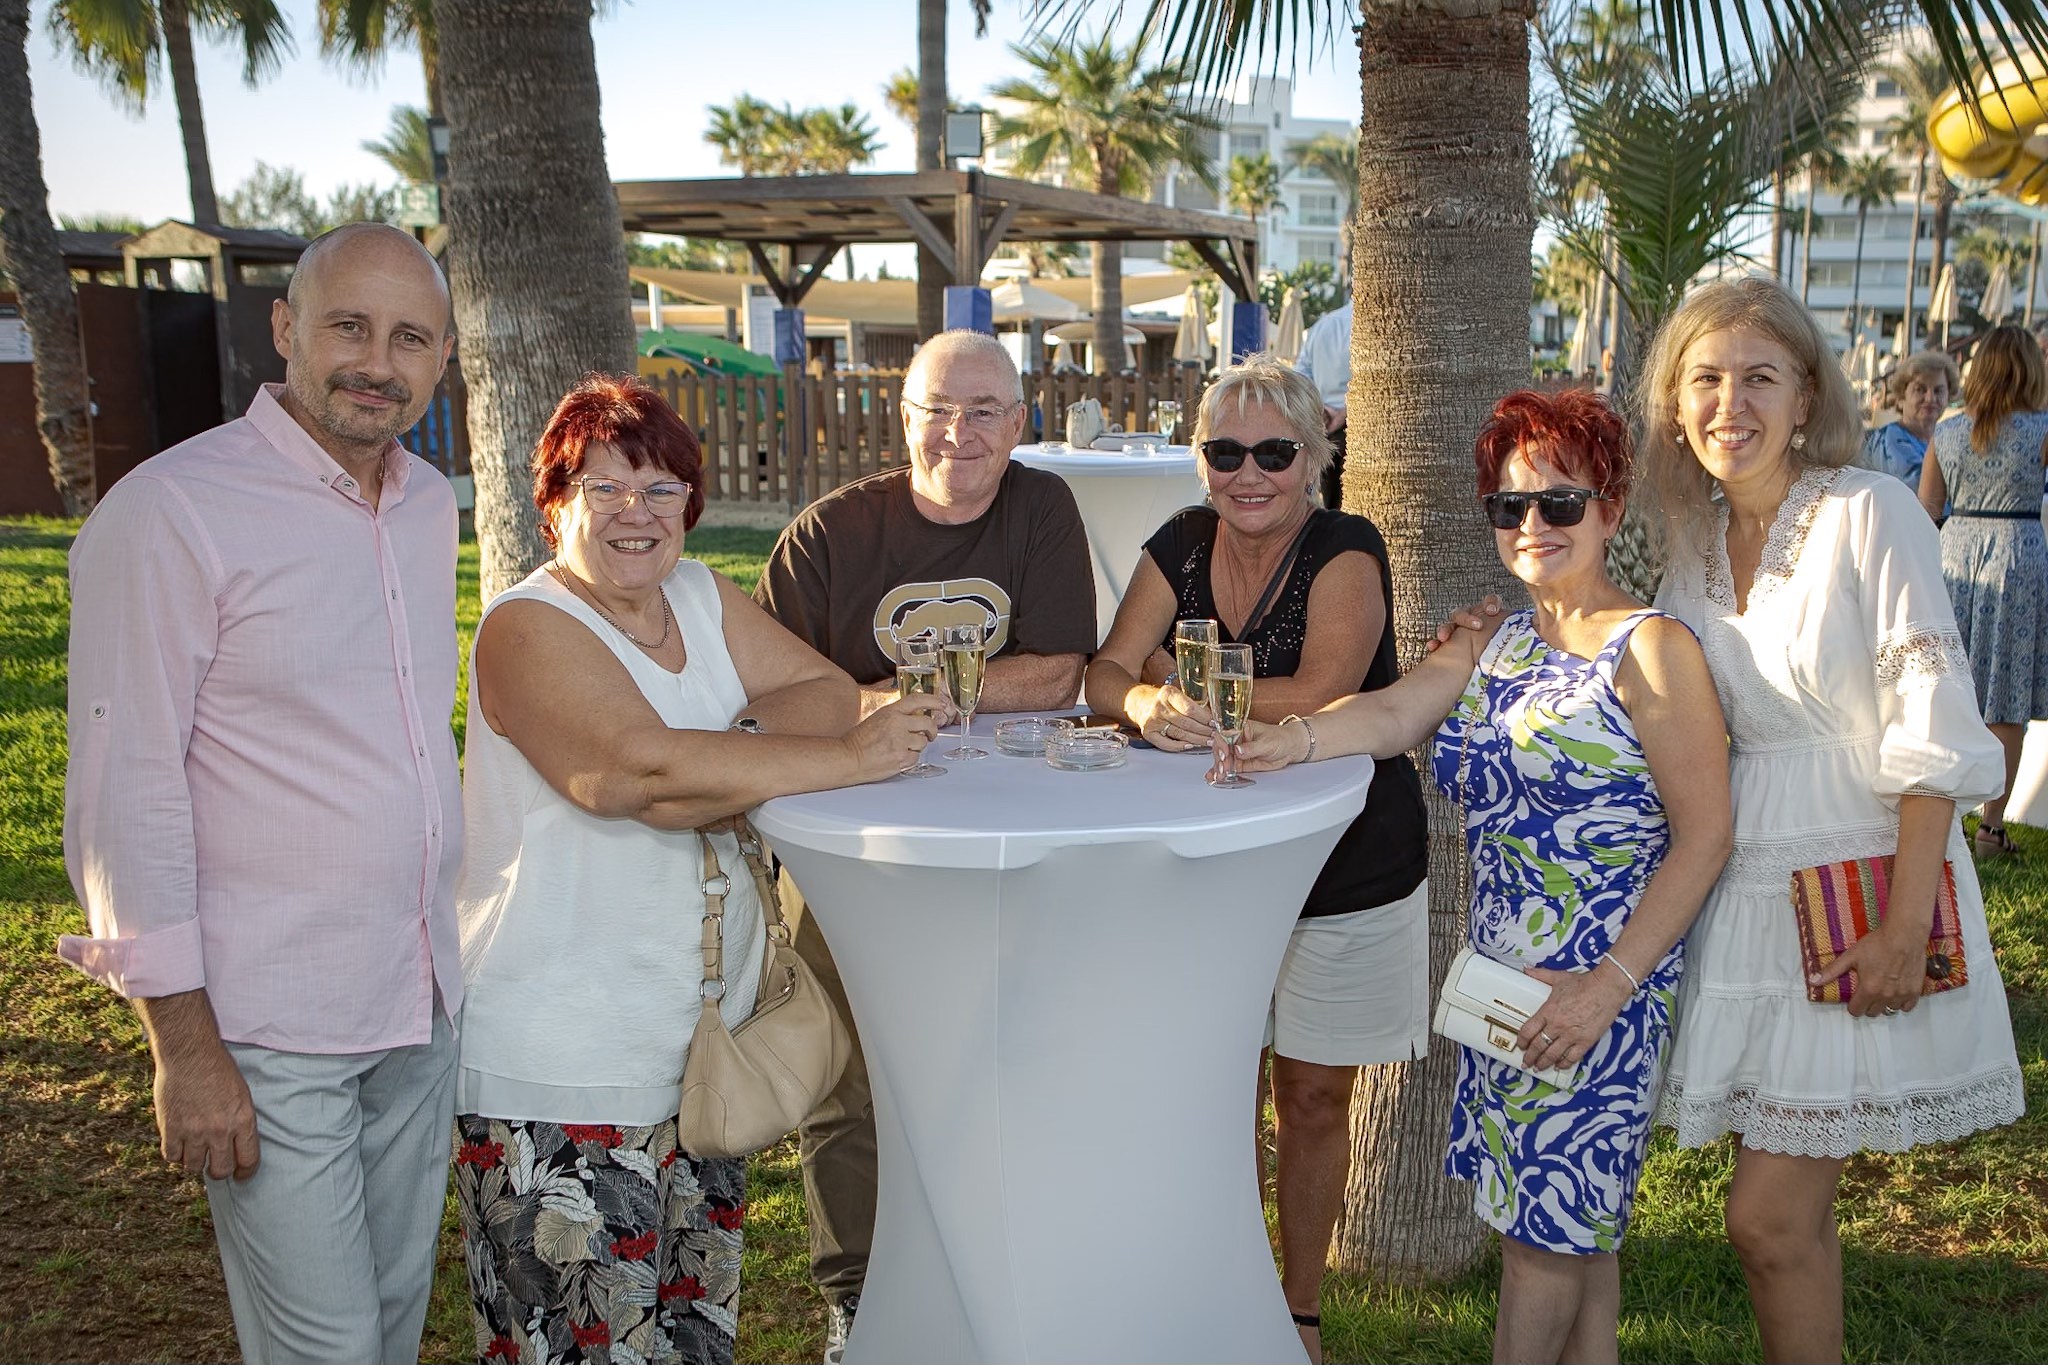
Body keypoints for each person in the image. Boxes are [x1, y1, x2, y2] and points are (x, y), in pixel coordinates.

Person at [1233, 386, 1733, 1365]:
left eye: (1559, 501)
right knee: (1567, 1233)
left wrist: (1604, 989)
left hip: (1595, 995)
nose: (1533, 523)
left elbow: (1705, 836)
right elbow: (1389, 715)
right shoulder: (1493, 640)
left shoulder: (1652, 649)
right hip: (1502, 986)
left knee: (1543, 1249)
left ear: (1609, 509)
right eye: (1510, 505)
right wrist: (1286, 740)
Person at [452, 374, 942, 1365]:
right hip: (567, 1072)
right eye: (603, 488)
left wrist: (727, 753)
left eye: (660, 489)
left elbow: (820, 689)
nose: (635, 512)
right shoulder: (526, 625)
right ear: (553, 504)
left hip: (702, 1062)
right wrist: (836, 760)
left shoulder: (695, 595)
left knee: (692, 1343)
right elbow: (635, 775)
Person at [59, 223, 463, 1364]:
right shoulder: (172, 510)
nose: (376, 362)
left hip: (419, 996)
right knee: (325, 1346)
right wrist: (184, 1050)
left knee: (391, 1319)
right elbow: (124, 795)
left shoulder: (428, 503)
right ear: (284, 328)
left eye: (410, 337)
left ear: (442, 358)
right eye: (348, 326)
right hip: (268, 1022)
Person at [1640, 275, 2025, 1363]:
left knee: (1764, 1219)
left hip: (1861, 883)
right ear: (1675, 406)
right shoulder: (1687, 549)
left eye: (1758, 378)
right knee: (1785, 1222)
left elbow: (1931, 719)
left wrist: (1906, 923)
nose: (1730, 404)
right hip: (1747, 890)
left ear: (1806, 397)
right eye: (1704, 380)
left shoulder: (1871, 510)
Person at [753, 328, 1096, 1359]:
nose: (960, 432)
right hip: (850, 841)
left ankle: (994, 1272)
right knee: (844, 1071)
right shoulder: (827, 535)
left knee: (999, 1053)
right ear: (902, 420)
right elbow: (773, 700)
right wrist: (949, 696)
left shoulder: (1041, 507)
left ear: (1019, 422)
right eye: (937, 410)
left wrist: (881, 697)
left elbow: (1060, 672)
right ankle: (855, 1295)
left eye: (984, 409)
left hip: (1007, 840)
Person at [1081, 354, 1428, 1364]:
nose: (1249, 474)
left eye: (1274, 452)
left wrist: (1175, 679)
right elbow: (1104, 669)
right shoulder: (1180, 541)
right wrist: (1140, 694)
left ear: (1313, 458)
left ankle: (1298, 1311)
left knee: (1312, 1097)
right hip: (1206, 863)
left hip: (1343, 863)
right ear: (1199, 460)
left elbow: (1325, 689)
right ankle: (1214, 1287)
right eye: (1224, 451)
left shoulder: (1346, 547)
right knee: (1209, 1088)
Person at [1918, 325, 2048, 856]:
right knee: (2006, 697)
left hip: (1954, 553)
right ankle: (1991, 828)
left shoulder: (1948, 432)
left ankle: (1939, 813)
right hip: (2017, 556)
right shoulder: (2042, 429)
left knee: (1948, 687)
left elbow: (1926, 509)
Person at [1864, 350, 1959, 487]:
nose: (1930, 398)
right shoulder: (1891, 441)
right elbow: (1923, 489)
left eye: (1938, 390)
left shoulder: (1944, 438)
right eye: (1920, 389)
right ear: (1901, 397)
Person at [1294, 299, 1351, 506]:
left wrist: (1320, 409)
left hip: (1324, 425)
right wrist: (1344, 412)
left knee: (1331, 500)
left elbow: (1300, 375)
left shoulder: (1322, 325)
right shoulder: (1376, 324)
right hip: (1357, 425)